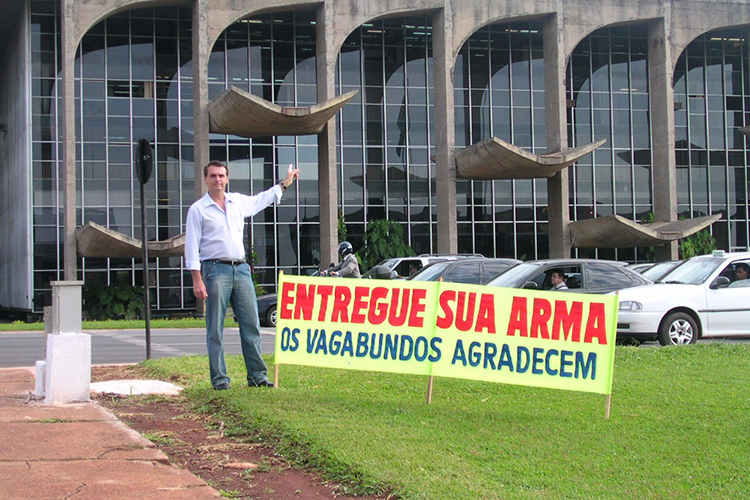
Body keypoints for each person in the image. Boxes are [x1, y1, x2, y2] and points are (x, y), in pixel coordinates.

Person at [185, 160, 299, 390]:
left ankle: (257, 377)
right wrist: (197, 280)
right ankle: (220, 380)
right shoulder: (198, 210)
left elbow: (262, 199)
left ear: (227, 179)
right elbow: (191, 247)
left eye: (221, 176)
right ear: (206, 179)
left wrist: (285, 183)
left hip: (242, 269)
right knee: (215, 327)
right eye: (213, 176)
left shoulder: (237, 202)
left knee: (251, 324)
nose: (217, 179)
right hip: (215, 269)